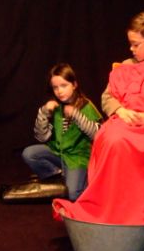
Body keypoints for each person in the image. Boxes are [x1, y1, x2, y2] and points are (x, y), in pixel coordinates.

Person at [53, 11, 144, 251]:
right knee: (112, 140)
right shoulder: (123, 69)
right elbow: (108, 97)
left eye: (136, 44)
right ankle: (112, 207)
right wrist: (120, 110)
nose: (131, 49)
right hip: (124, 119)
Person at [22, 63, 102, 201]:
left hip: (77, 158)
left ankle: (83, 183)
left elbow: (97, 135)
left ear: (74, 85)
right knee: (29, 153)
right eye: (55, 87)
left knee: (73, 194)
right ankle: (57, 176)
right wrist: (44, 113)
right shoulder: (56, 107)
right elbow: (42, 137)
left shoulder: (86, 106)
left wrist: (76, 115)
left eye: (64, 85)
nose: (59, 91)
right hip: (59, 153)